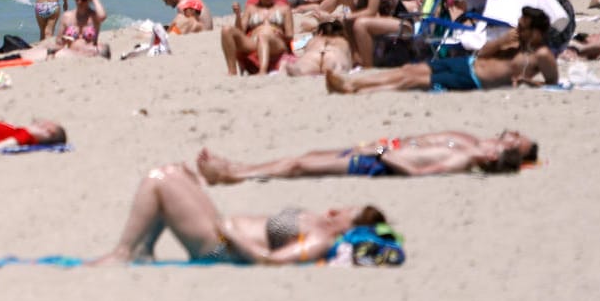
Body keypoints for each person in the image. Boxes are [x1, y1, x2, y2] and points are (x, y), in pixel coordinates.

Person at [92, 162, 391, 265]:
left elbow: (270, 262)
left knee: (159, 179)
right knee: (174, 172)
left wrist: (234, 237)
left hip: (220, 247)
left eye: (345, 213)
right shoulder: (319, 226)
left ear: (350, 228)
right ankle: (140, 249)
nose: (335, 210)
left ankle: (125, 253)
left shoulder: (321, 239)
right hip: (222, 231)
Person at [327, 7, 560, 92]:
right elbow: (482, 54)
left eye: (523, 26)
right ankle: (354, 84)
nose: (518, 28)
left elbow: (552, 84)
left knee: (413, 80)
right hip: (469, 64)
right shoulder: (515, 43)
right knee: (411, 69)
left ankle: (356, 87)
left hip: (474, 79)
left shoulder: (542, 55)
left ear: (537, 32)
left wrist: (530, 83)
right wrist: (501, 42)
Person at [198, 129, 538, 183]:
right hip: (380, 151)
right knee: (310, 154)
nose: (505, 135)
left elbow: (419, 173)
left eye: (511, 140)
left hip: (376, 161)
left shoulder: (466, 159)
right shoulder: (471, 144)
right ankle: (240, 167)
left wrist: (383, 152)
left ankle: (232, 175)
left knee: (301, 165)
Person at [220, 0, 293, 75]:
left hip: (277, 42)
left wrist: (280, 34)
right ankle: (232, 71)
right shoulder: (251, 9)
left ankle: (262, 71)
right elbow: (240, 31)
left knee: (263, 36)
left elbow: (290, 35)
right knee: (226, 30)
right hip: (254, 42)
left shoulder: (284, 9)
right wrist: (237, 15)